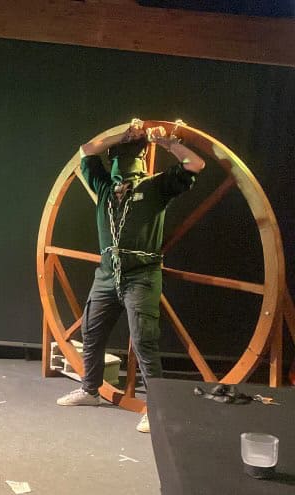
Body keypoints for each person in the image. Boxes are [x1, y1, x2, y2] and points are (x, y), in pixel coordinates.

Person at [55, 120, 205, 433]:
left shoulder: (155, 187)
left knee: (143, 341)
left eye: (129, 156)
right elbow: (86, 150)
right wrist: (121, 136)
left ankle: (156, 408)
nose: (124, 165)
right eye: (120, 157)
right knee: (91, 332)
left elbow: (195, 164)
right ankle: (90, 390)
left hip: (141, 276)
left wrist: (166, 144)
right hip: (107, 275)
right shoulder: (104, 189)